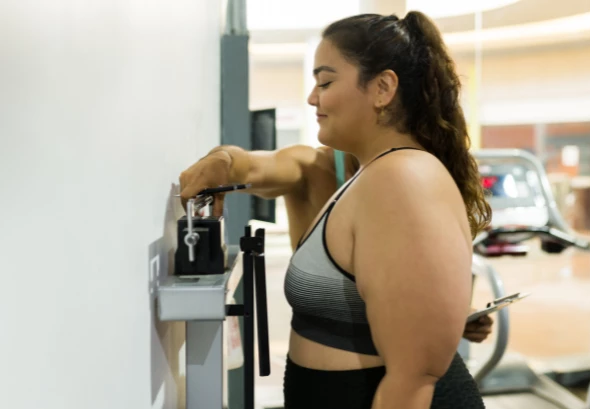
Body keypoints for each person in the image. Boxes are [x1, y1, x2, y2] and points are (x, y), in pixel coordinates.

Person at [180, 11, 492, 408]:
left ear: (382, 88)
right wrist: (223, 160)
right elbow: (256, 167)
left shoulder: (401, 177)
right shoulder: (360, 174)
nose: (313, 98)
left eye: (325, 82)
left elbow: (413, 380)